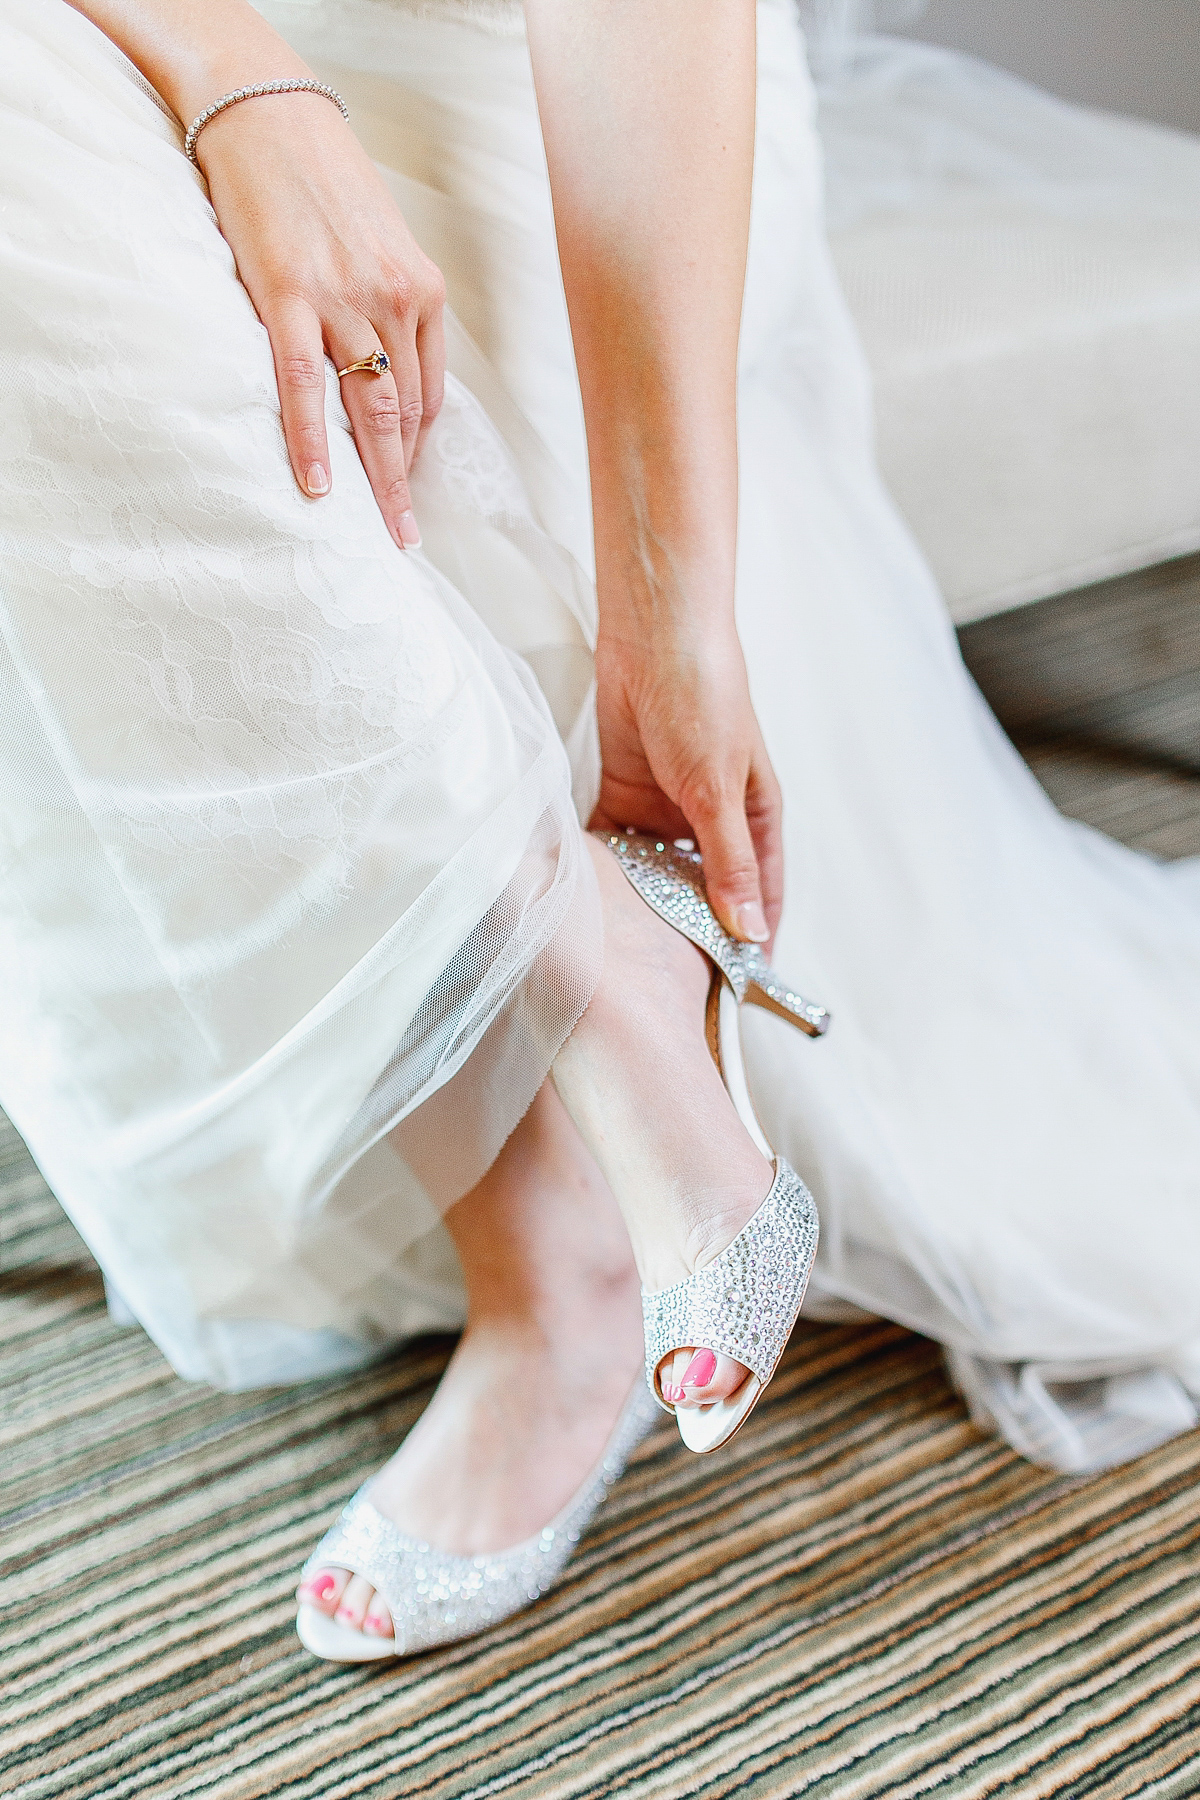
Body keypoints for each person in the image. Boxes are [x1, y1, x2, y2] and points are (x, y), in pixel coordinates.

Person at [2, 0, 1198, 1658]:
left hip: (571, 118)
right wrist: (232, 85)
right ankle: (584, 952)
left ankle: (559, 1195)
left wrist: (669, 626)